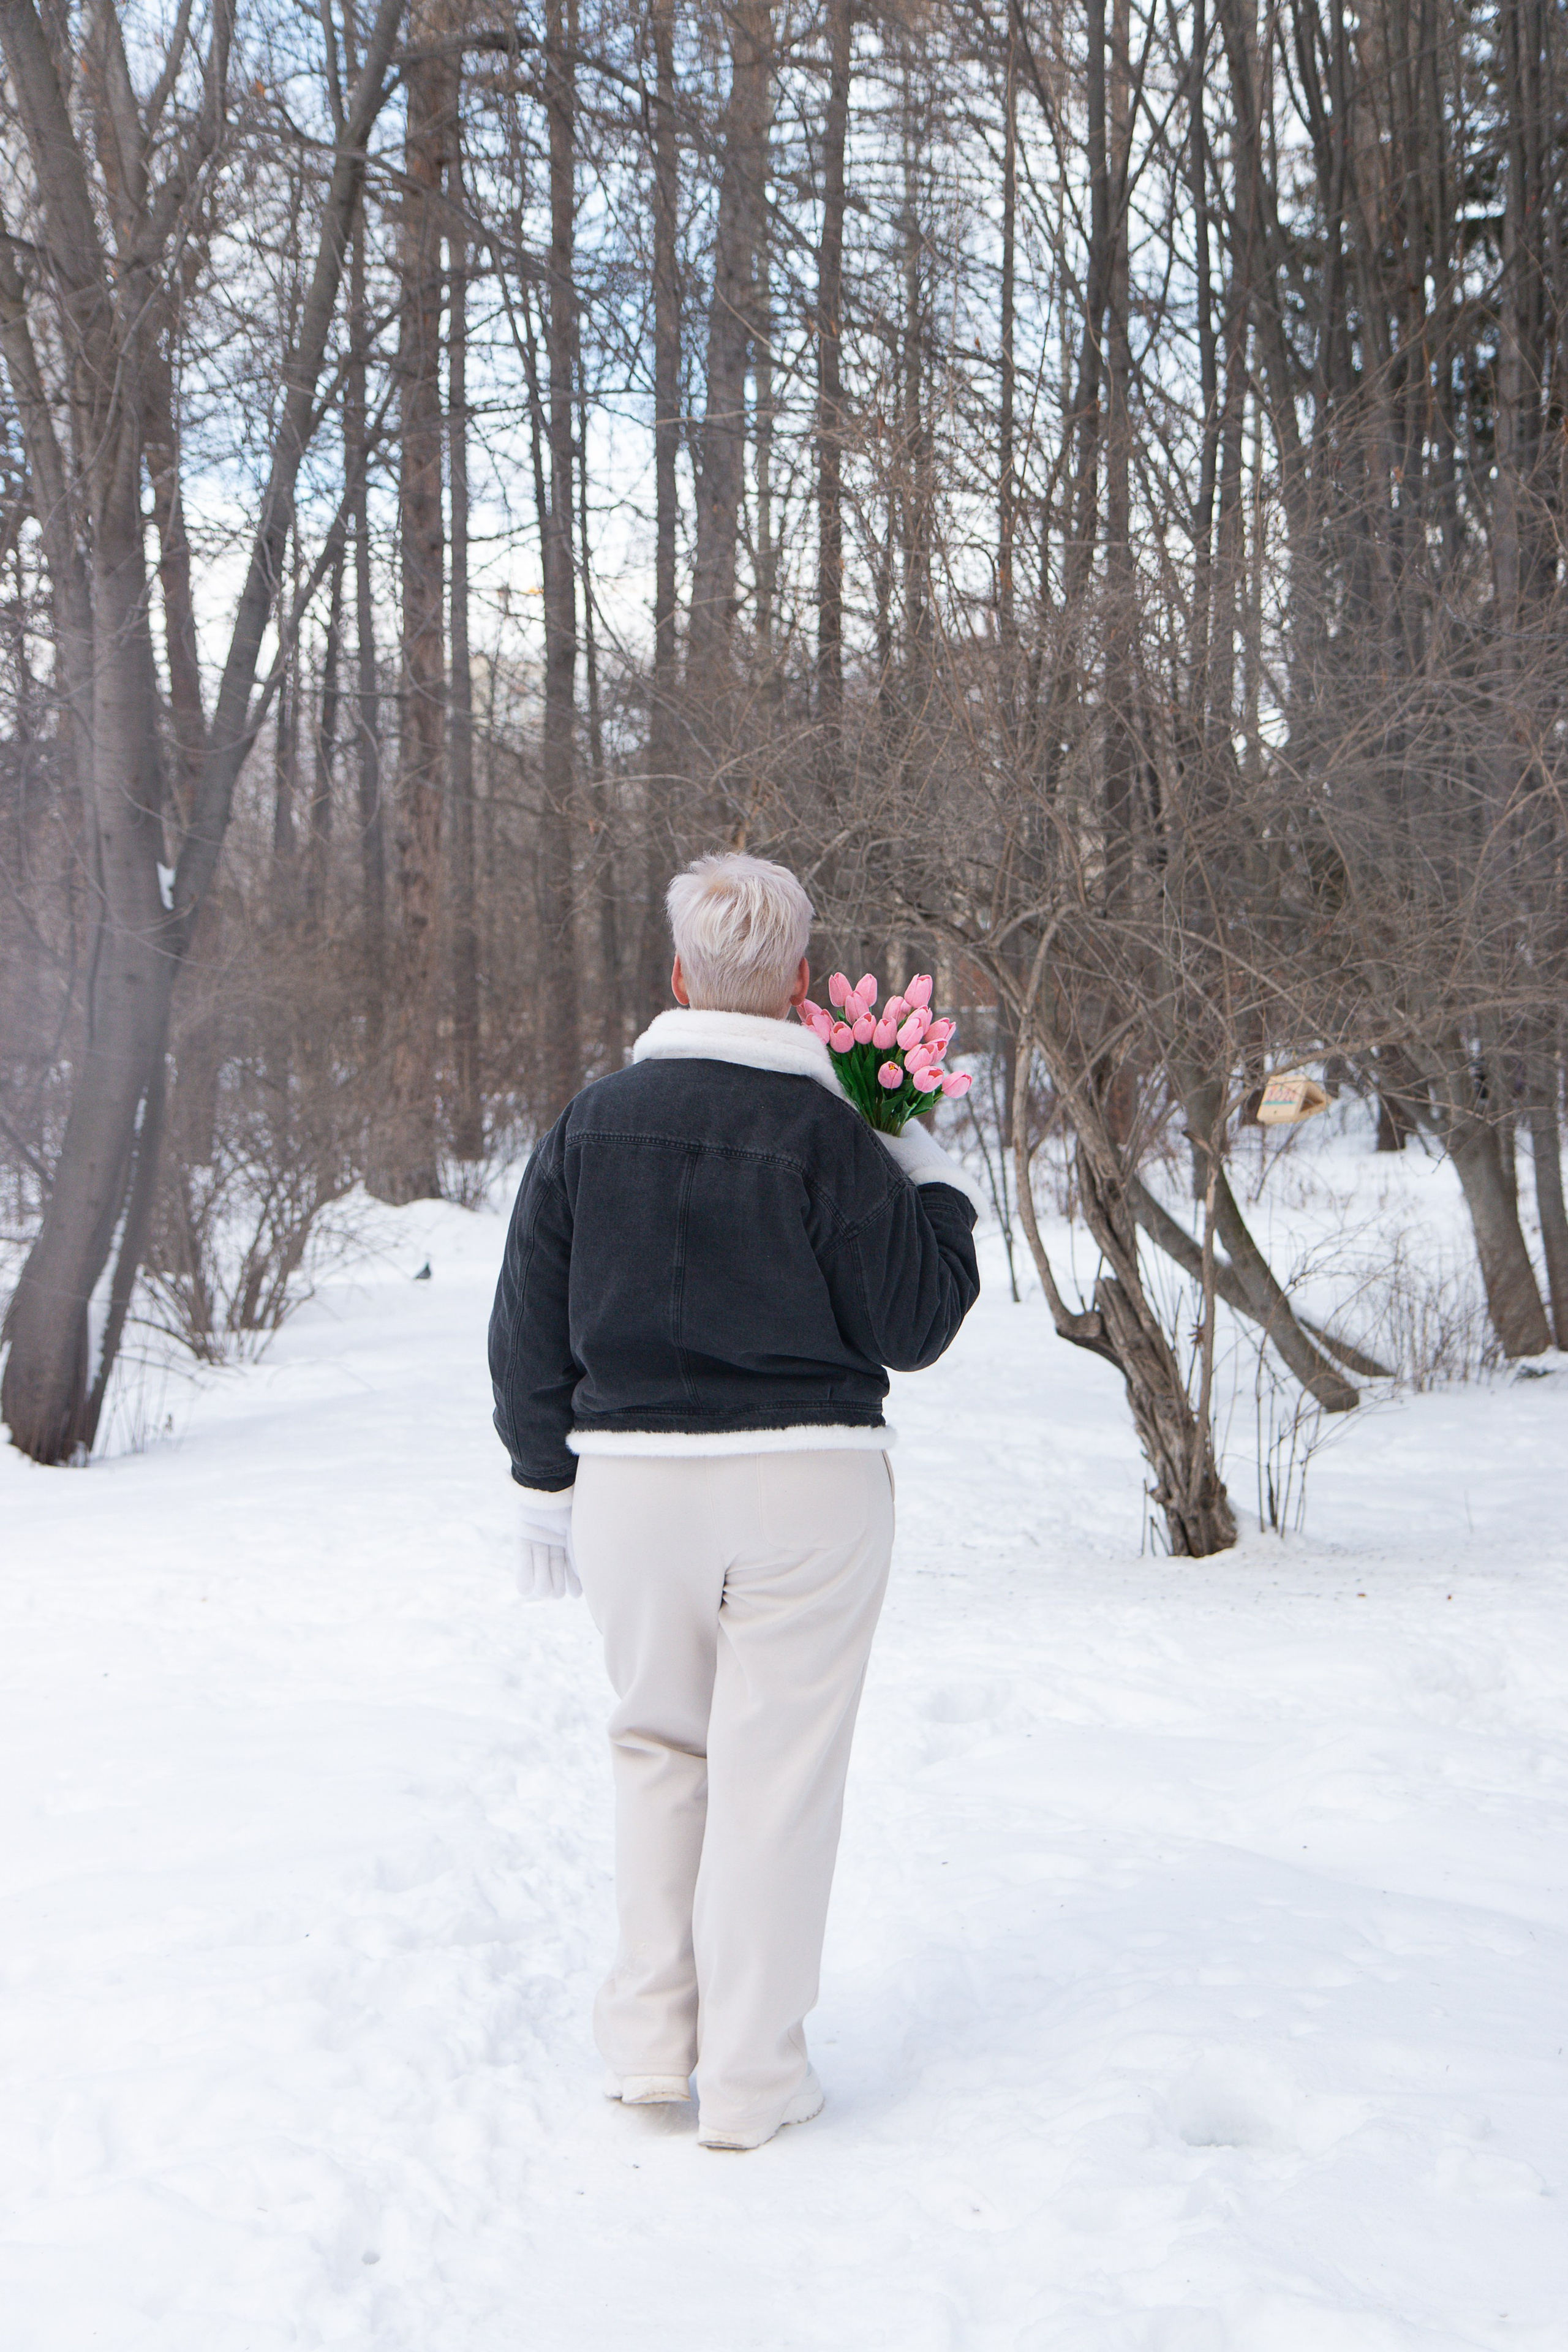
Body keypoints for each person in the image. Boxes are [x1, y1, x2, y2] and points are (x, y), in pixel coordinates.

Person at [489, 852, 982, 2150]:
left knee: (658, 1750)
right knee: (776, 1779)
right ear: (802, 990)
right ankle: (756, 2079)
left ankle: (651, 2043)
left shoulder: (590, 1125)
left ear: (675, 978)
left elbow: (525, 1328)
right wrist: (916, 1157)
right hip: (805, 1488)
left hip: (632, 1492)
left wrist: (543, 1486)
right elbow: (918, 1319)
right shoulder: (831, 1135)